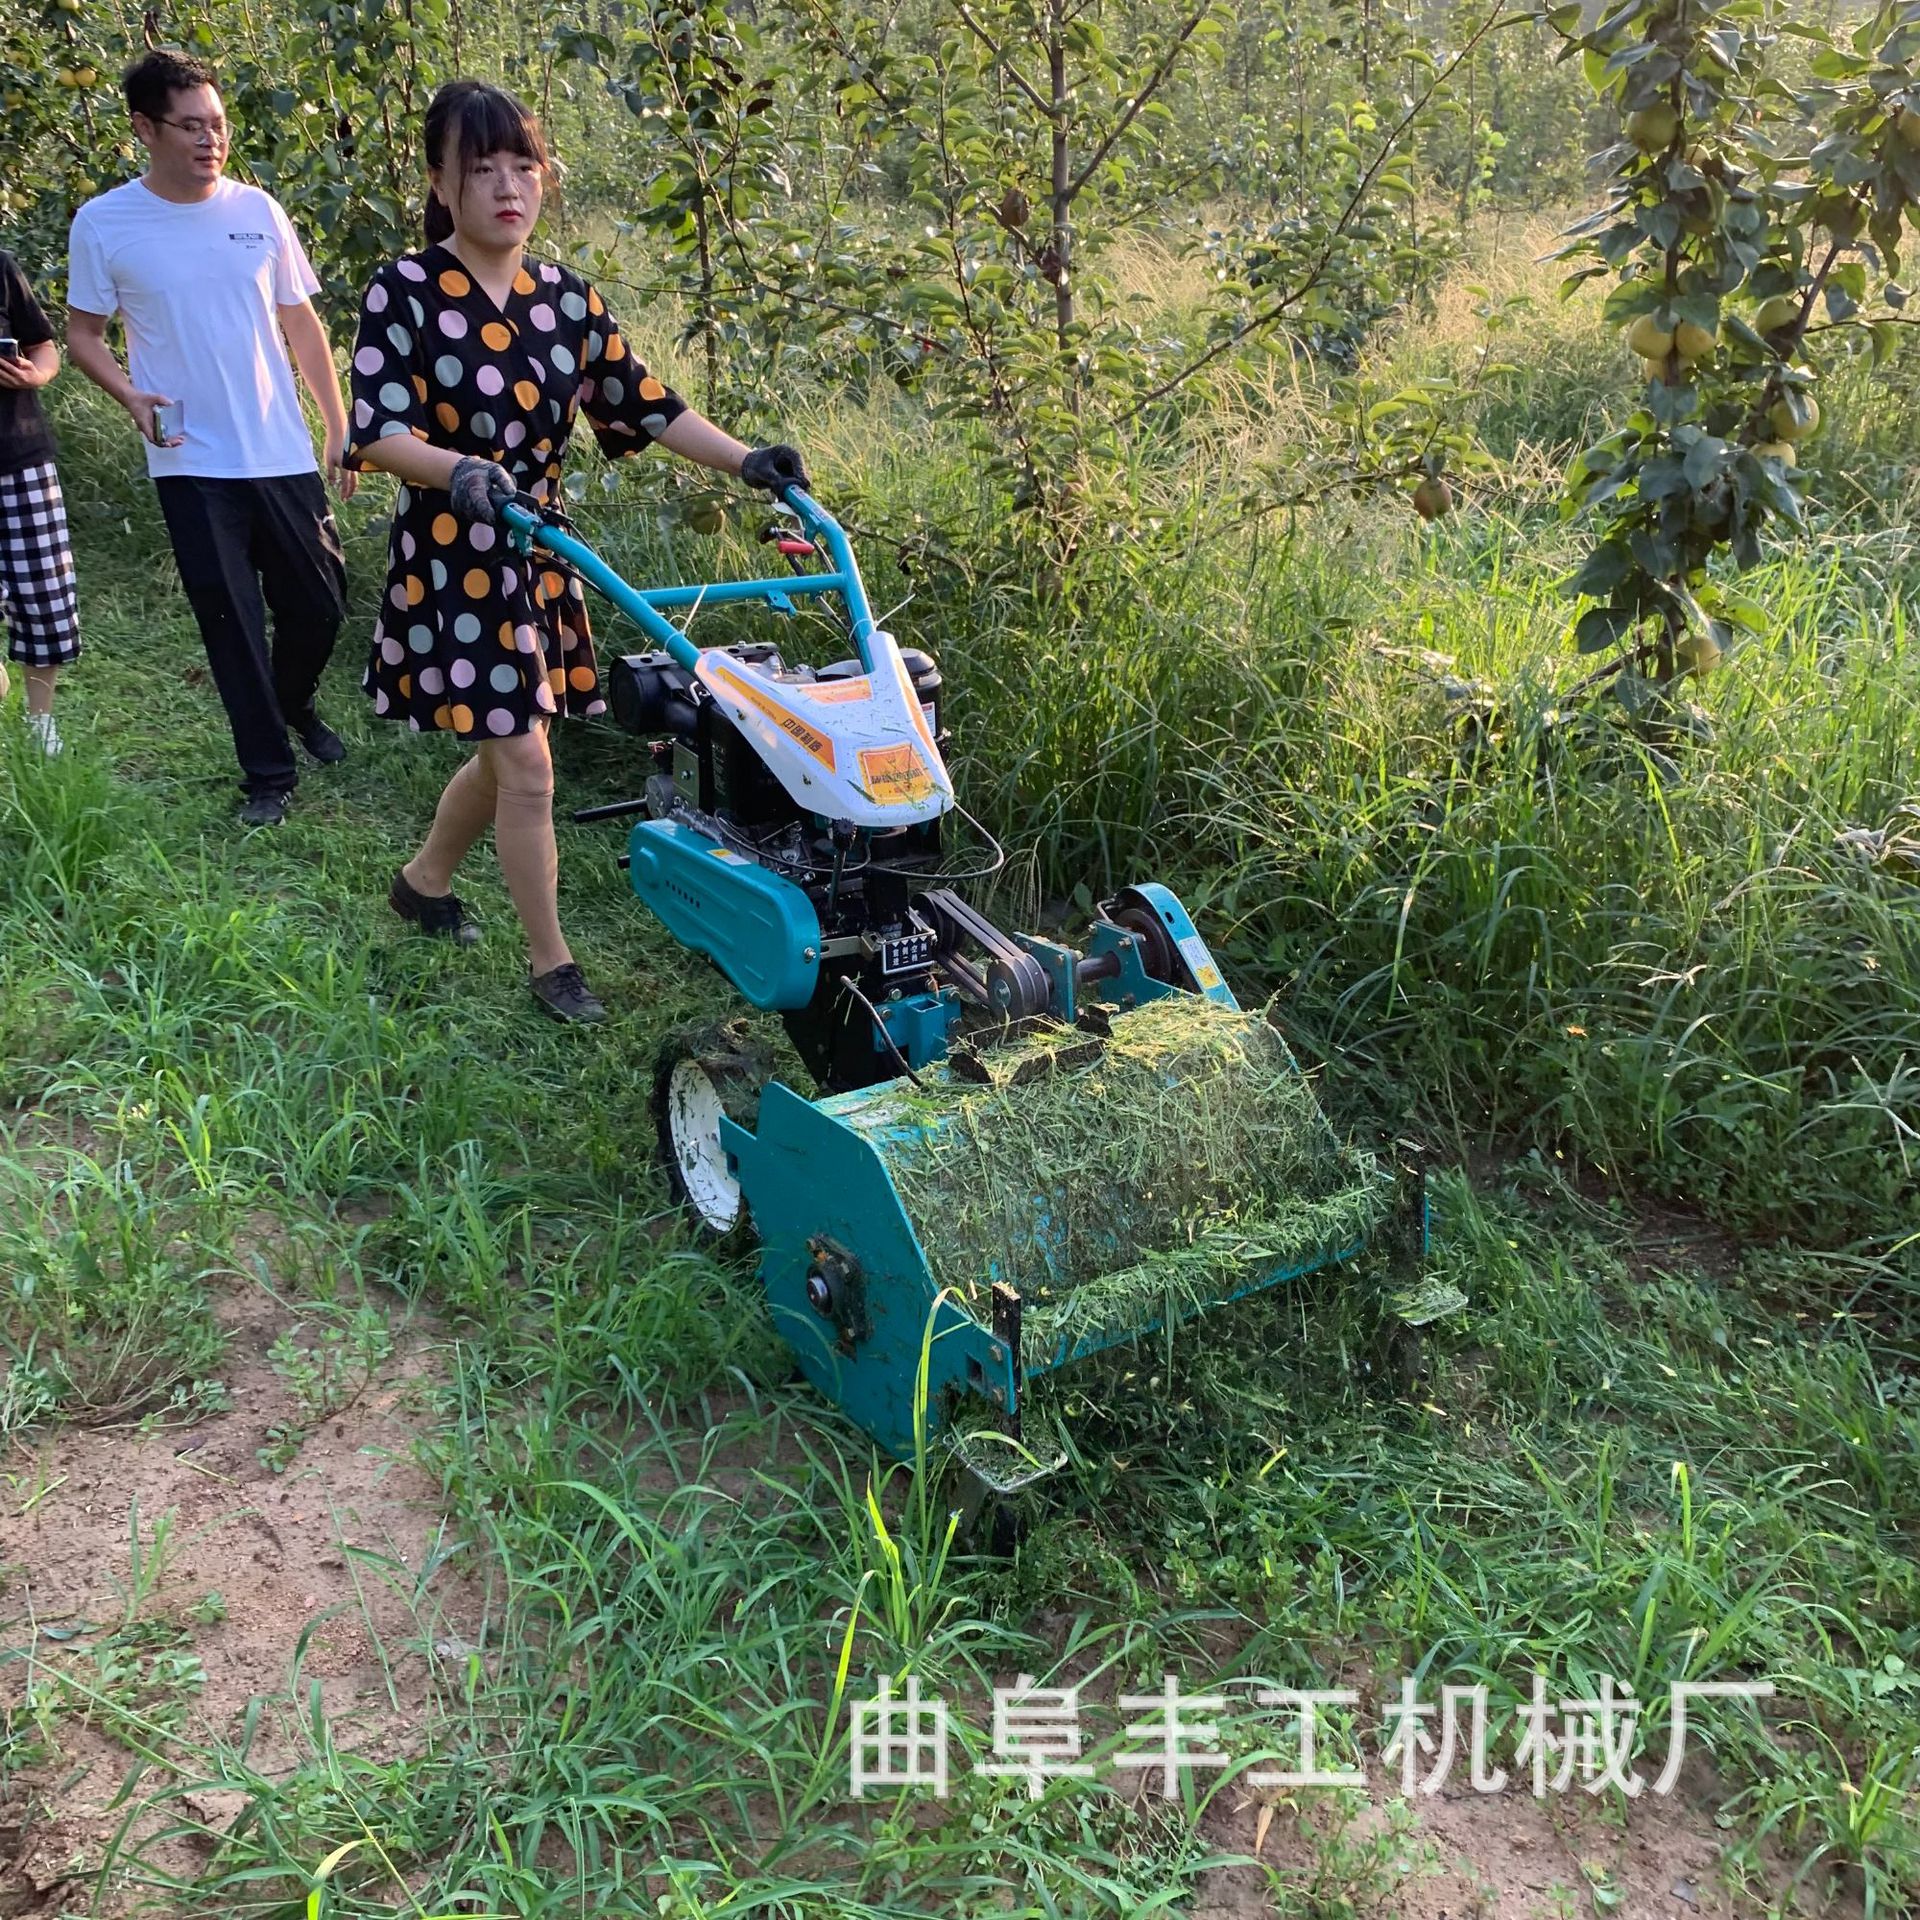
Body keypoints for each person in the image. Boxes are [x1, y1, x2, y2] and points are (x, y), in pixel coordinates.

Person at [344, 80, 810, 1025]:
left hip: (540, 550)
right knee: (525, 764)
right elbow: (376, 432)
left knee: (508, 750)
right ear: (439, 180)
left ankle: (424, 882)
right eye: (482, 168)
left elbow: (647, 405)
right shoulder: (404, 291)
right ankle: (551, 965)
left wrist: (748, 460)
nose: (507, 186)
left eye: (524, 165)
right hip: (455, 554)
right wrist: (460, 469)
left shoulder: (566, 299)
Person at [67, 50, 357, 827]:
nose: (211, 140)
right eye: (191, 126)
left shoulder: (257, 211)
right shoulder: (105, 224)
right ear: (145, 128)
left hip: (280, 448)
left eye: (219, 125)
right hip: (188, 456)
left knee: (321, 603)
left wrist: (338, 425)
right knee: (231, 621)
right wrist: (129, 394)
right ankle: (268, 775)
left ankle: (293, 702)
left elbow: (301, 323)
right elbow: (83, 334)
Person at [0, 247, 80, 755]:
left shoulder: (1, 268)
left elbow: (44, 346)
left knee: (44, 596)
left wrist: (36, 374)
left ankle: (40, 722)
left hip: (21, 456)